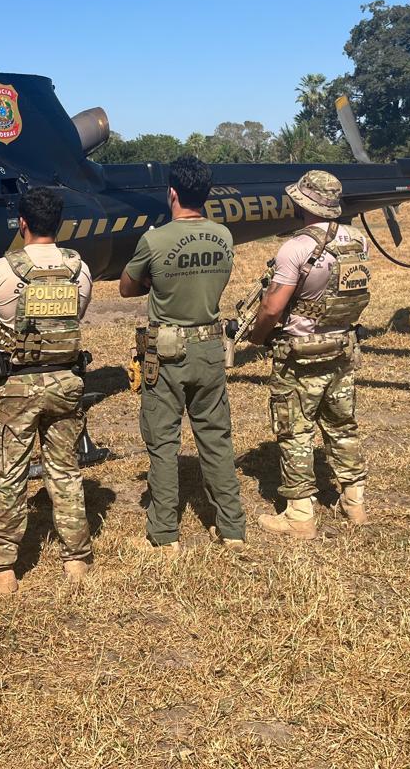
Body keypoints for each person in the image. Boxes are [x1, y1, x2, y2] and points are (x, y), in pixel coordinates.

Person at [0, 187, 95, 594]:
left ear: (22, 223)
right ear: (58, 223)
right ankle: (77, 559)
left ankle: (0, 568)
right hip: (66, 383)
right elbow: (77, 315)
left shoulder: (0, 271)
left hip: (16, 388)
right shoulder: (80, 269)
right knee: (66, 471)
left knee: (10, 476)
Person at [119, 156, 247, 552]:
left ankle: (163, 534)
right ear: (206, 194)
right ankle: (232, 529)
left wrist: (155, 286)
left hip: (167, 351)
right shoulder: (224, 236)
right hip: (210, 348)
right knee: (216, 438)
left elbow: (127, 286)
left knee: (163, 442)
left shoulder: (154, 240)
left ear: (171, 192)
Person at [248, 170, 371, 539]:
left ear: (300, 203)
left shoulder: (296, 248)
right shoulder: (357, 242)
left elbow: (273, 308)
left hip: (301, 355)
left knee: (295, 431)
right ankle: (355, 502)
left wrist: (257, 335)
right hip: (343, 348)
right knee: (342, 425)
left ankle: (299, 515)